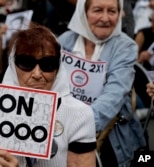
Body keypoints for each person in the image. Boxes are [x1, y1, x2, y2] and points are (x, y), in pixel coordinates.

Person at [0, 24, 97, 167]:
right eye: (26, 63)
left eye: (47, 64)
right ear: (12, 65)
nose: (36, 74)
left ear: (58, 67)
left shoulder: (79, 115)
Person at [58, 0, 146, 166]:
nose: (105, 18)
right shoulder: (64, 41)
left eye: (112, 11)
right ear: (83, 13)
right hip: (61, 130)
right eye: (98, 10)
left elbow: (114, 94)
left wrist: (77, 126)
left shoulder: (125, 47)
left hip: (110, 137)